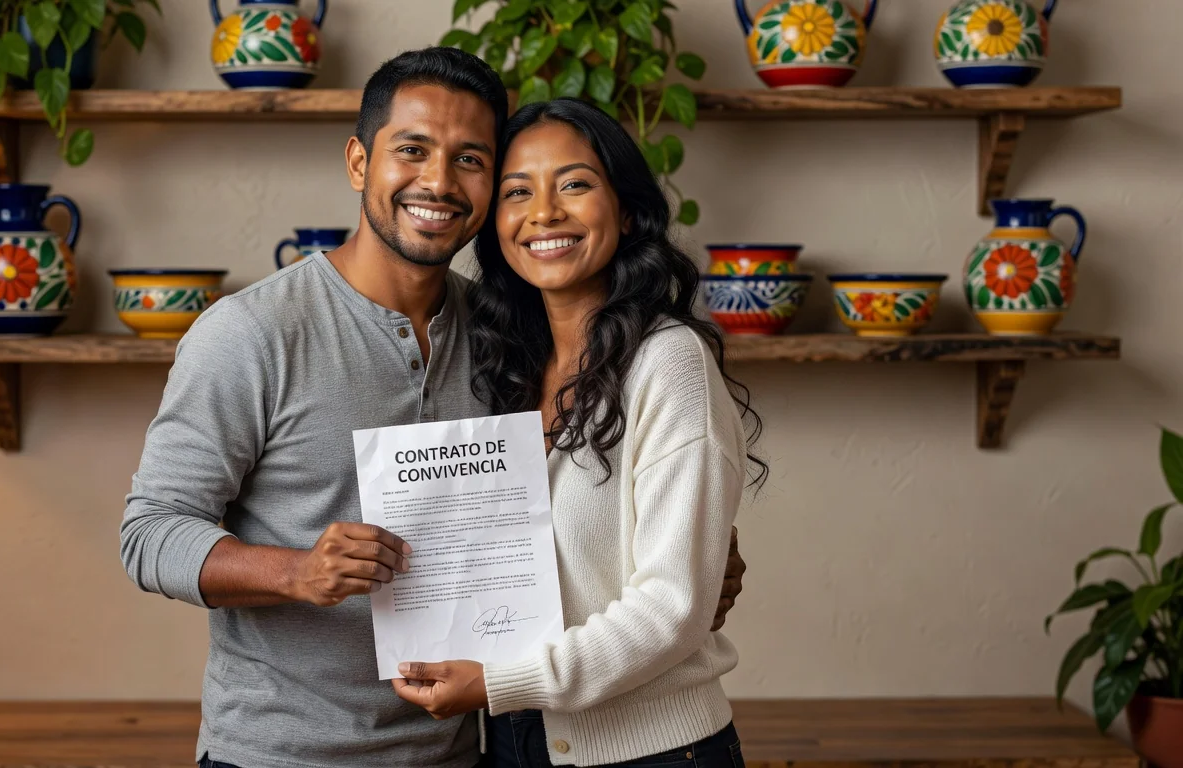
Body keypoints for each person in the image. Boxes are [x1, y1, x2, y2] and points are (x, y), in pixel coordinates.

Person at [120, 49, 747, 768]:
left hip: (462, 749)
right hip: (281, 751)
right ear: (359, 162)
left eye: (471, 160)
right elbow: (149, 534)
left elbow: (550, 538)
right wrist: (295, 572)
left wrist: (687, 574)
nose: (439, 182)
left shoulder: (502, 338)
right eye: (412, 150)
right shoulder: (250, 333)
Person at [390, 98, 765, 768]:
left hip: (656, 753)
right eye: (517, 192)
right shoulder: (504, 367)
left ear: (624, 209)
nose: (544, 214)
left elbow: (673, 608)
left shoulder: (667, 362)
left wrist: (497, 682)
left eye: (574, 184)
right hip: (512, 743)